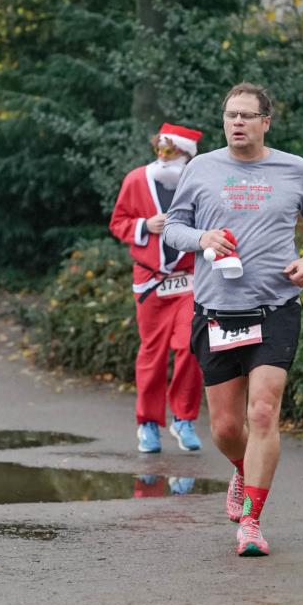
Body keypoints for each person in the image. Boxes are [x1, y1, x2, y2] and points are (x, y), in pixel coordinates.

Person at [163, 83, 303, 557]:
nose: (236, 122)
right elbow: (174, 227)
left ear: (266, 121)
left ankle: (253, 524)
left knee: (262, 411)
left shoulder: (294, 169)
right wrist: (202, 239)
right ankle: (242, 470)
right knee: (224, 427)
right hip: (217, 312)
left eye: (246, 115)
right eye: (229, 115)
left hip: (276, 307)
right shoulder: (201, 168)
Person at [110, 123, 205, 454]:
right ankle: (148, 423)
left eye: (171, 151)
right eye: (160, 149)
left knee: (190, 346)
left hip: (189, 279)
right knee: (152, 353)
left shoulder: (198, 183)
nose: (163, 157)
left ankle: (183, 417)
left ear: (186, 155)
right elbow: (117, 221)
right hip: (151, 281)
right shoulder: (136, 179)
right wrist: (143, 225)